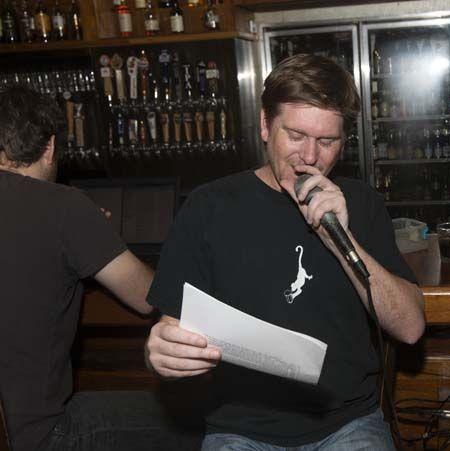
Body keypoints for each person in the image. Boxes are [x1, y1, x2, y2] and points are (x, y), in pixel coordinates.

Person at [144, 53, 426, 450]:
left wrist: (339, 237)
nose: (310, 157)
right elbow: (172, 327)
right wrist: (162, 351)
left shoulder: (361, 202)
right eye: (295, 136)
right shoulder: (208, 206)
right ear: (264, 125)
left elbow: (410, 327)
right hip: (240, 427)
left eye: (327, 141)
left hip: (346, 423)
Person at [0, 85, 200, 451]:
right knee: (193, 420)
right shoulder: (62, 206)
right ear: (49, 147)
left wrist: (91, 243)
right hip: (40, 436)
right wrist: (99, 235)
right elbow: (147, 298)